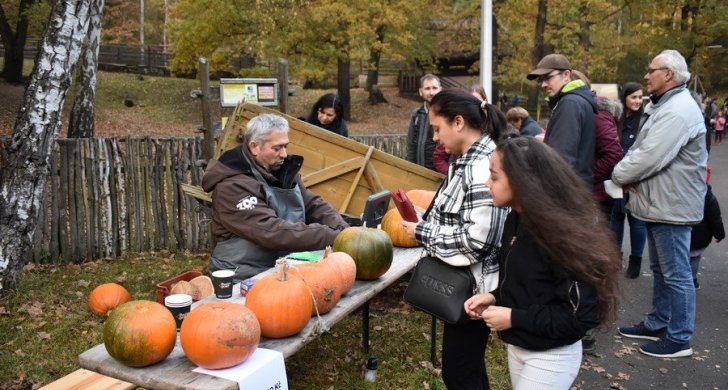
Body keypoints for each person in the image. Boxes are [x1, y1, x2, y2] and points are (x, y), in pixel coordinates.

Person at [465, 136, 620, 390]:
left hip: (551, 355)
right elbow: (532, 283)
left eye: (494, 177)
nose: (487, 183)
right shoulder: (516, 218)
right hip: (520, 347)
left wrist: (514, 318)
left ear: (521, 180)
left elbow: (579, 316)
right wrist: (495, 297)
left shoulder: (563, 236)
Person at [401, 88, 509, 390]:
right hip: (465, 287)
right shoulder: (467, 160)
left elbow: (479, 240)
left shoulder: (480, 167)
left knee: (460, 374)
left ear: (458, 122)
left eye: (437, 128)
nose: (434, 137)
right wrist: (429, 218)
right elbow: (460, 216)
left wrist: (423, 231)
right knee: (468, 370)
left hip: (472, 289)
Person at [612, 49, 708, 358]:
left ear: (668, 74)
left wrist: (619, 174)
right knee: (664, 269)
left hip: (672, 205)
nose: (647, 75)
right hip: (663, 202)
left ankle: (679, 338)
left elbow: (649, 155)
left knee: (676, 273)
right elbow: (644, 150)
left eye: (652, 70)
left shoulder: (678, 110)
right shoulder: (668, 105)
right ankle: (658, 323)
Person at [202, 114, 349, 281]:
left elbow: (312, 204)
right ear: (255, 147)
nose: (284, 154)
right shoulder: (232, 186)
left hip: (279, 264)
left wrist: (341, 227)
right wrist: (333, 236)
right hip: (241, 273)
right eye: (277, 148)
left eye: (286, 146)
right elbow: (271, 231)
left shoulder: (280, 171)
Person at [527, 54, 597, 187]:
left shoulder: (569, 103)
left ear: (566, 75)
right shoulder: (576, 101)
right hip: (577, 189)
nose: (543, 84)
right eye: (540, 80)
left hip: (567, 193)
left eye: (548, 78)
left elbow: (561, 159)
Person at [612, 82, 648, 279]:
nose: (637, 101)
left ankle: (636, 260)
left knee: (637, 221)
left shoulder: (643, 120)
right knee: (616, 218)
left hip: (636, 179)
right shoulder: (617, 119)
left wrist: (631, 177)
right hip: (617, 177)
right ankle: (615, 258)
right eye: (633, 97)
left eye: (640, 97)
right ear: (624, 97)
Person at [432, 83, 486, 174]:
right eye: (469, 101)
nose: (473, 106)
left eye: (477, 101)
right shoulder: (453, 127)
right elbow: (439, 157)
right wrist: (453, 175)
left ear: (484, 101)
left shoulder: (492, 126)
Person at [690, 184, 725, 289]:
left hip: (680, 233)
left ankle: (678, 280)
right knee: (694, 257)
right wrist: (719, 234)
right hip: (700, 237)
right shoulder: (708, 196)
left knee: (679, 257)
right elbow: (715, 219)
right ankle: (691, 280)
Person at [406, 74, 442, 171]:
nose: (431, 92)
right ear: (421, 92)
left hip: (440, 173)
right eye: (427, 88)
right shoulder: (417, 114)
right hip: (419, 171)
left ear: (440, 90)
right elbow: (411, 145)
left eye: (434, 88)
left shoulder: (446, 114)